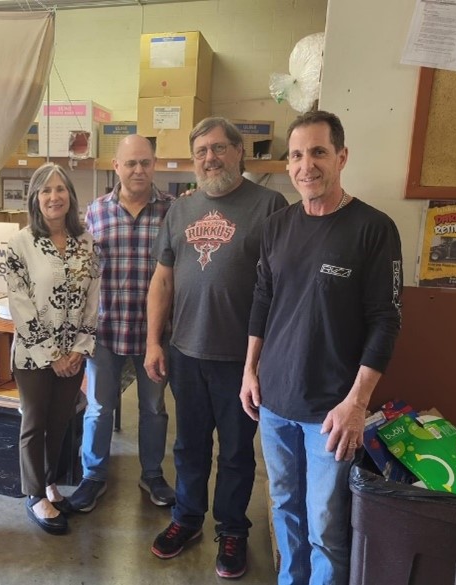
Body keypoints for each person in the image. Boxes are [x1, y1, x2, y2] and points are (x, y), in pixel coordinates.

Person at [240, 110, 403, 585]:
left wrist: (357, 404)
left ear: (341, 157)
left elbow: (386, 320)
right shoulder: (277, 227)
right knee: (285, 512)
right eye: (295, 155)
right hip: (273, 404)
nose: (305, 165)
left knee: (326, 526)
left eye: (317, 152)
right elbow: (262, 301)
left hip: (330, 412)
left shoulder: (374, 229)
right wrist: (251, 371)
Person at [144, 117, 288, 579]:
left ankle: (232, 529)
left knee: (236, 452)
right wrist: (153, 341)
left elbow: (282, 287)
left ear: (239, 153)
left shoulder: (270, 206)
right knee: (188, 447)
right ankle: (186, 518)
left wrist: (265, 358)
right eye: (202, 150)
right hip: (185, 352)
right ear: (193, 159)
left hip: (240, 362)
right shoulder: (180, 211)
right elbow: (162, 279)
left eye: (220, 148)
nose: (211, 158)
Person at [67, 135, 176, 513]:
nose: (138, 170)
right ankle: (92, 476)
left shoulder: (173, 212)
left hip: (155, 336)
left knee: (154, 408)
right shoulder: (95, 213)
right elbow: (81, 273)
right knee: (99, 408)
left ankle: (152, 474)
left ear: (155, 163)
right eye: (130, 163)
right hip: (106, 332)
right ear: (116, 166)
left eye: (145, 162)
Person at [4, 162, 100, 535]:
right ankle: (33, 494)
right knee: (35, 423)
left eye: (60, 189)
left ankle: (48, 484)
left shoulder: (85, 243)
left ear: (71, 198)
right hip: (33, 356)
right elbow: (20, 304)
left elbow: (93, 298)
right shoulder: (19, 244)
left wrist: (80, 348)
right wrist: (53, 355)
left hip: (74, 353)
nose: (54, 196)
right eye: (46, 190)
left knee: (60, 423)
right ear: (35, 198)